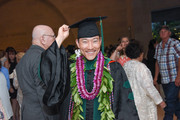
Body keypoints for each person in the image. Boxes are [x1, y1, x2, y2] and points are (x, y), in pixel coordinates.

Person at [40, 17, 139, 120]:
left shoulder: (113, 68)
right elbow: (47, 70)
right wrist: (60, 38)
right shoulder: (69, 68)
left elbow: (126, 107)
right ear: (78, 43)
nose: (90, 47)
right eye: (85, 42)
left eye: (95, 41)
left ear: (100, 42)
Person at [16, 25, 70, 120]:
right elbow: (45, 95)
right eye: (53, 36)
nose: (54, 39)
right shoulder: (41, 59)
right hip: (42, 114)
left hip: (28, 111)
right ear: (43, 39)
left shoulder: (24, 58)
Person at [123, 42, 166, 120]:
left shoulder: (125, 66)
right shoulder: (141, 67)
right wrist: (160, 101)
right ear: (141, 54)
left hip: (130, 101)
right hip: (142, 102)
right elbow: (148, 87)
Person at [154, 25, 180, 120]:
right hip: (164, 79)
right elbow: (157, 62)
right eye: (161, 32)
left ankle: (167, 118)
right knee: (174, 100)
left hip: (174, 78)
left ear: (169, 33)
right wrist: (156, 77)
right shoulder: (159, 46)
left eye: (164, 31)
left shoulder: (175, 43)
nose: (162, 33)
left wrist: (178, 76)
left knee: (169, 100)